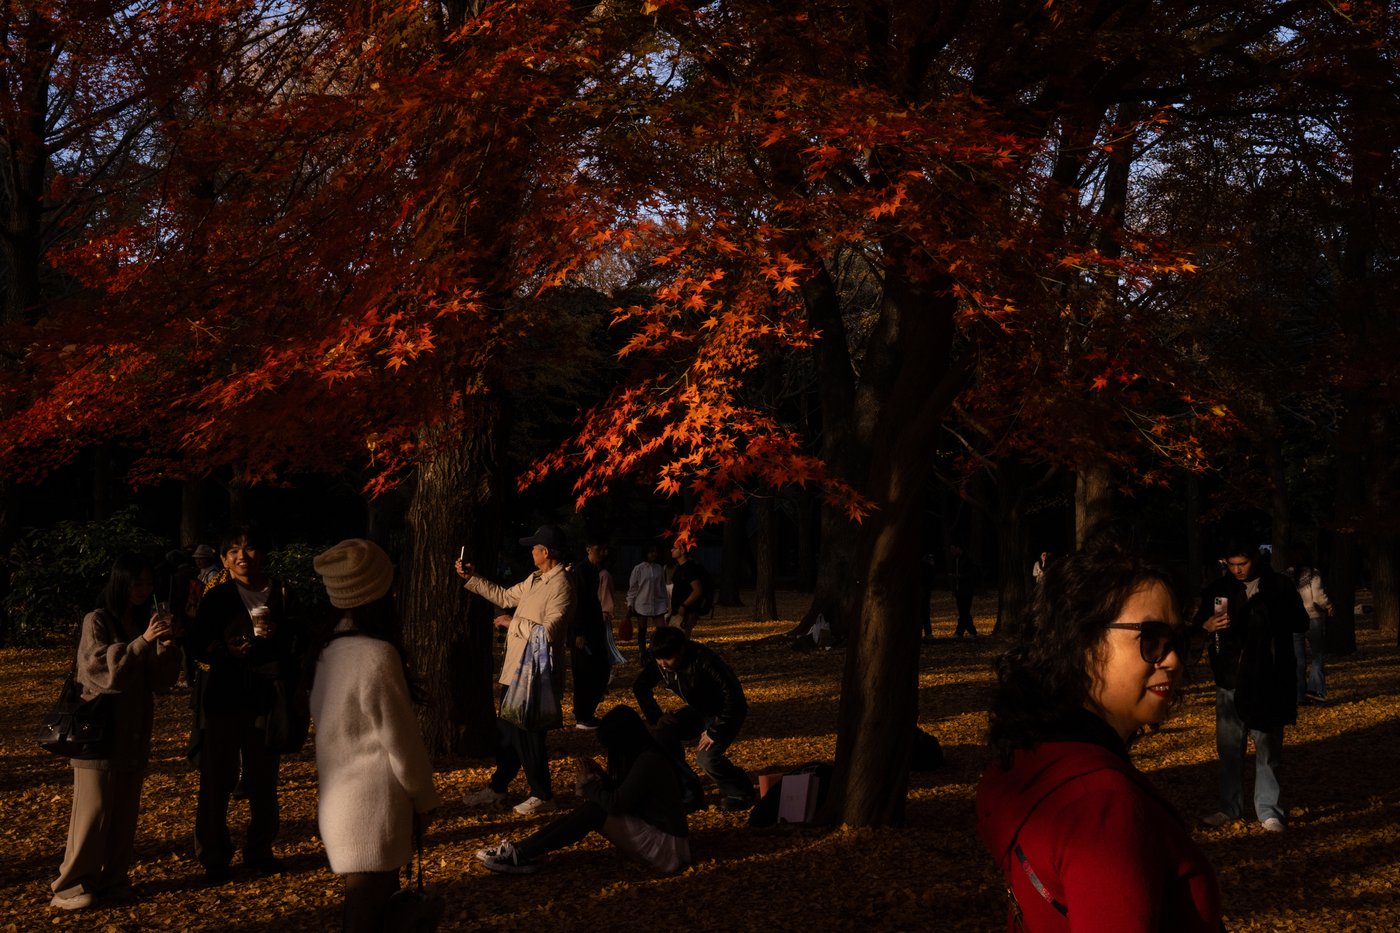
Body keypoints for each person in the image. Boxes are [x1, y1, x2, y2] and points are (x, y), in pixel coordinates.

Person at [976, 536, 1222, 931]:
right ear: (1082, 643)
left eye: (1177, 641)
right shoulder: (1102, 804)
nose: (1174, 660)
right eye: (1152, 639)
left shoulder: (1032, 761)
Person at [310, 539, 441, 933]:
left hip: (338, 802)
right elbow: (401, 742)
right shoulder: (376, 655)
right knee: (367, 910)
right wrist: (424, 798)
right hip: (375, 806)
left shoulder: (327, 653)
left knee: (367, 907)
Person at [50, 555, 183, 911]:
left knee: (124, 813)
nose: (143, 590)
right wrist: (143, 641)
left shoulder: (142, 620)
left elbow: (161, 680)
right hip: (98, 730)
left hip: (134, 730)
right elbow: (99, 672)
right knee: (92, 813)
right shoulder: (97, 619)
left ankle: (114, 880)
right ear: (120, 582)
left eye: (148, 584)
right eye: (136, 583)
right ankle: (69, 886)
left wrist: (166, 645)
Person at [187, 527, 303, 881]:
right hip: (225, 696)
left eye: (249, 548)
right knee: (217, 778)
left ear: (262, 553)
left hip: (268, 696)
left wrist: (279, 637)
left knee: (263, 777)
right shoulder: (218, 597)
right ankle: (214, 856)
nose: (242, 556)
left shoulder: (283, 593)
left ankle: (260, 850)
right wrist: (226, 651)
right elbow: (196, 644)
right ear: (224, 560)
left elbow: (301, 640)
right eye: (233, 551)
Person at [475, 705, 691, 875]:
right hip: (659, 835)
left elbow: (616, 804)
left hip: (666, 847)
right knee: (592, 809)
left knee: (593, 811)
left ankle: (522, 853)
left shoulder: (649, 760)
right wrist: (601, 777)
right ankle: (521, 849)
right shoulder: (644, 757)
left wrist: (590, 787)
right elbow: (626, 795)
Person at [456, 524, 574, 816]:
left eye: (535, 548)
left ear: (545, 552)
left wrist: (513, 624)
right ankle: (498, 787)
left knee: (529, 735)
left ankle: (543, 794)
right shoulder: (535, 579)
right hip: (517, 670)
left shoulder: (561, 585)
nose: (531, 552)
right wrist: (472, 578)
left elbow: (551, 632)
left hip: (536, 675)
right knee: (507, 734)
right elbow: (505, 597)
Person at [1194, 542, 1309, 832]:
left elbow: (1301, 622)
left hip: (1268, 678)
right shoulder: (1218, 589)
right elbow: (1198, 628)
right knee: (1230, 750)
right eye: (1231, 564)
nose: (1237, 570)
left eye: (1242, 564)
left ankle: (1269, 810)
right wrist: (1208, 627)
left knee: (1267, 748)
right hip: (1230, 677)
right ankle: (1229, 807)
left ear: (1255, 558)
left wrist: (1272, 615)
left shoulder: (1279, 585)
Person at [632, 626, 753, 811]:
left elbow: (734, 696)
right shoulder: (661, 663)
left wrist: (715, 730)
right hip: (699, 710)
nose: (663, 663)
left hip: (726, 712)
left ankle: (740, 792)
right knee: (663, 736)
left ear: (681, 650)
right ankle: (688, 792)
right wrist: (657, 716)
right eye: (658, 658)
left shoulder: (704, 660)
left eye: (667, 658)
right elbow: (640, 686)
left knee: (706, 758)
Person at [569, 541, 614, 730]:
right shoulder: (581, 571)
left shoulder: (594, 570)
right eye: (599, 549)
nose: (603, 553)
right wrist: (578, 632)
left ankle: (582, 711)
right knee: (588, 673)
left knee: (596, 671)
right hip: (584, 631)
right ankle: (583, 715)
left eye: (604, 549)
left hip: (593, 629)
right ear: (588, 549)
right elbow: (577, 603)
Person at [1287, 547, 1332, 705]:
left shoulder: (1287, 575)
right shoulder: (1313, 573)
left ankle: (1299, 695)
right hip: (1312, 618)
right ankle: (1315, 690)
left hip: (1293, 620)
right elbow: (1318, 597)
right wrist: (1329, 605)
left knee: (1298, 660)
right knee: (1317, 655)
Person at [625, 543, 668, 657]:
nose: (654, 554)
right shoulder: (638, 569)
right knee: (642, 629)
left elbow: (662, 587)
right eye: (651, 552)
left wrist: (666, 603)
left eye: (655, 552)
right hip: (642, 603)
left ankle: (656, 649)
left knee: (661, 630)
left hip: (658, 603)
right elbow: (633, 588)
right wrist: (630, 604)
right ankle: (642, 652)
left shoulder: (659, 568)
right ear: (646, 553)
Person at [668, 543, 712, 636]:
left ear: (682, 550)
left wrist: (684, 605)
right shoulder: (679, 568)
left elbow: (698, 591)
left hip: (686, 613)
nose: (671, 550)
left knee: (680, 639)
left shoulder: (689, 569)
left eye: (674, 548)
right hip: (677, 612)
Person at [949, 544, 979, 638]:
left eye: (953, 549)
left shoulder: (967, 560)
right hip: (959, 590)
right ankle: (963, 632)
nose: (951, 551)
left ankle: (966, 632)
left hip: (966, 590)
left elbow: (971, 575)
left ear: (959, 548)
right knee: (963, 612)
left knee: (964, 612)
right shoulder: (955, 560)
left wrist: (959, 577)